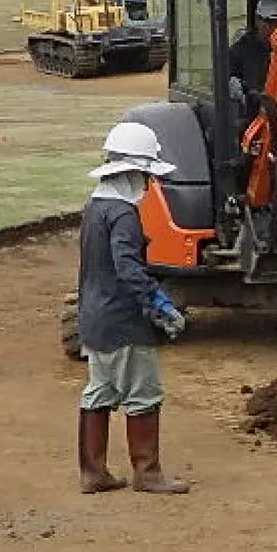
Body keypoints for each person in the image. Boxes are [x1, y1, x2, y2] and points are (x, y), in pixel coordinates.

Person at [76, 123, 193, 496]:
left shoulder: (94, 207)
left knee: (99, 392)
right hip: (123, 320)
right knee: (143, 392)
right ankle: (148, 472)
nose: (148, 184)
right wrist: (158, 303)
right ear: (133, 173)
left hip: (94, 317)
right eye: (145, 175)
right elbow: (128, 268)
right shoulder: (124, 215)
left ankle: (93, 472)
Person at [227, 0, 277, 101]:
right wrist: (233, 84)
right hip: (252, 109)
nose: (267, 26)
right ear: (256, 19)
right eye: (264, 20)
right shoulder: (240, 49)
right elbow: (227, 77)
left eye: (273, 22)